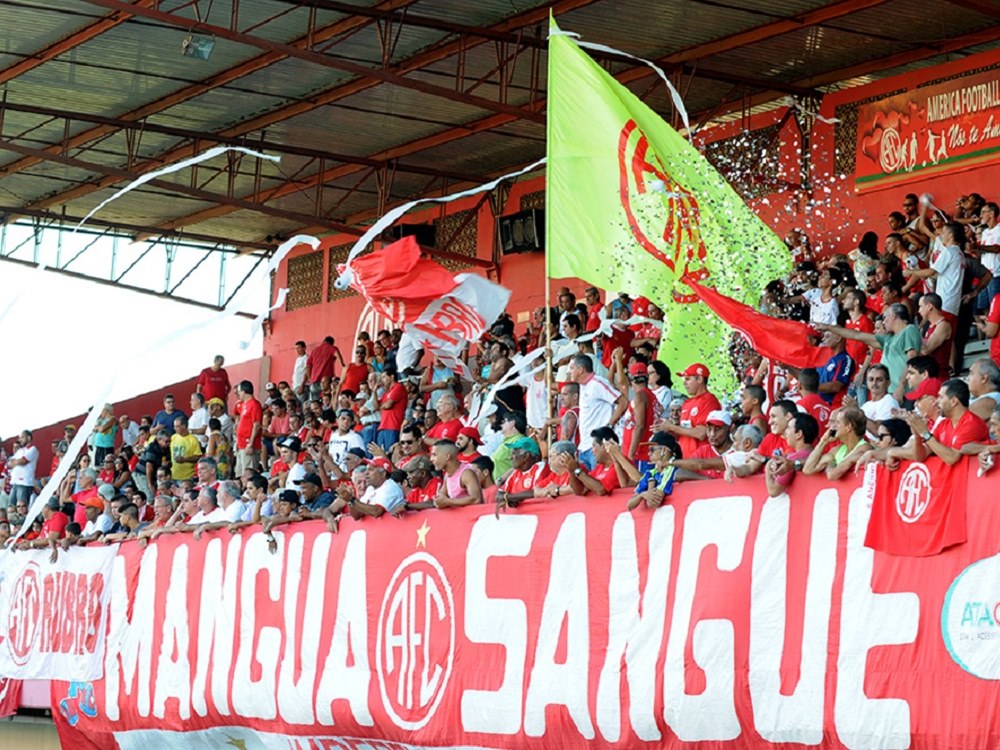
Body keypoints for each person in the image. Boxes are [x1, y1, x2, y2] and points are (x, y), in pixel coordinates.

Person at [816, 303, 921, 396]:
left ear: (893, 316)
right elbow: (856, 335)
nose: (883, 322)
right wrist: (829, 327)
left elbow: (912, 360)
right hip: (889, 392)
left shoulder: (909, 330)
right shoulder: (889, 338)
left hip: (903, 392)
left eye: (885, 318)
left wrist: (901, 386)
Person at [569, 354, 627, 471]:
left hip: (598, 446)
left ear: (580, 370)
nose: (569, 372)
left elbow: (623, 402)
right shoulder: (583, 386)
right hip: (584, 447)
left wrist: (609, 426)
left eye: (572, 368)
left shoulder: (598, 383)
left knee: (600, 484)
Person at [910, 378, 989, 465]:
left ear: (954, 401)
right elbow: (920, 457)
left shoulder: (972, 423)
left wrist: (925, 433)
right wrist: (918, 435)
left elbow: (952, 458)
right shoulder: (943, 424)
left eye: (941, 397)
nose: (936, 401)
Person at [657, 362, 722, 459]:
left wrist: (672, 427)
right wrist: (666, 429)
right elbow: (683, 433)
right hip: (685, 459)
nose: (684, 383)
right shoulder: (687, 403)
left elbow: (701, 433)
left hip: (701, 461)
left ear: (699, 379)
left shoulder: (709, 401)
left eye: (688, 379)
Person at [802, 407, 871, 480]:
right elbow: (807, 469)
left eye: (837, 422)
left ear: (848, 427)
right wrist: (823, 441)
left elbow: (832, 475)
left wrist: (830, 464)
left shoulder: (865, 448)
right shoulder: (836, 450)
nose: (833, 426)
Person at [764, 412, 819, 497]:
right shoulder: (815, 454)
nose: (786, 432)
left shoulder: (792, 459)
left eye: (789, 428)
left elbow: (773, 491)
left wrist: (768, 465)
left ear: (799, 434)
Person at [626, 432, 683, 511]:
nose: (649, 453)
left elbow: (653, 503)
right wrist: (642, 495)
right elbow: (629, 505)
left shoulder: (672, 469)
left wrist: (649, 487)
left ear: (665, 450)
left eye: (652, 450)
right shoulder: (651, 472)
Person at [621, 362, 661, 467]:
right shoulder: (651, 395)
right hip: (646, 452)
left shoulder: (640, 396)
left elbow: (640, 426)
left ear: (631, 379)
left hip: (640, 454)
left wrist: (631, 453)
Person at [430, 440, 482, 508]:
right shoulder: (447, 475)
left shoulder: (466, 473)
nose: (431, 459)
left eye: (434, 455)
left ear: (447, 456)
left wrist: (448, 501)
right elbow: (442, 497)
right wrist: (438, 500)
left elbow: (476, 499)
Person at [234, 380, 264, 474]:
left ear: (244, 391)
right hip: (241, 444)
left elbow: (257, 425)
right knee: (239, 473)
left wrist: (250, 444)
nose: (238, 394)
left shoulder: (255, 404)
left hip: (249, 445)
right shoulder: (244, 405)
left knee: (248, 474)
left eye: (239, 392)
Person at [376, 368, 407, 452]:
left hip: (393, 426)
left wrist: (382, 406)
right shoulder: (386, 393)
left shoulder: (398, 387)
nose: (382, 380)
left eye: (384, 377)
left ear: (392, 377)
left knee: (389, 454)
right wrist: (374, 391)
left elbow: (388, 405)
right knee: (380, 455)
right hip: (382, 427)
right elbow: (376, 407)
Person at [6, 429, 39, 507]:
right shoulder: (20, 451)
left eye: (22, 437)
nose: (20, 440)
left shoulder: (33, 449)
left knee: (22, 509)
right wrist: (15, 462)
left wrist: (16, 462)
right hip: (14, 483)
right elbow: (8, 463)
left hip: (24, 484)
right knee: (11, 508)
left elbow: (22, 461)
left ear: (29, 438)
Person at [169, 415, 202, 481]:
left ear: (184, 426)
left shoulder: (193, 439)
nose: (174, 428)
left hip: (187, 477)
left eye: (177, 426)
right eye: (174, 426)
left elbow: (198, 457)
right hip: (173, 475)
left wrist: (184, 459)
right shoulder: (173, 437)